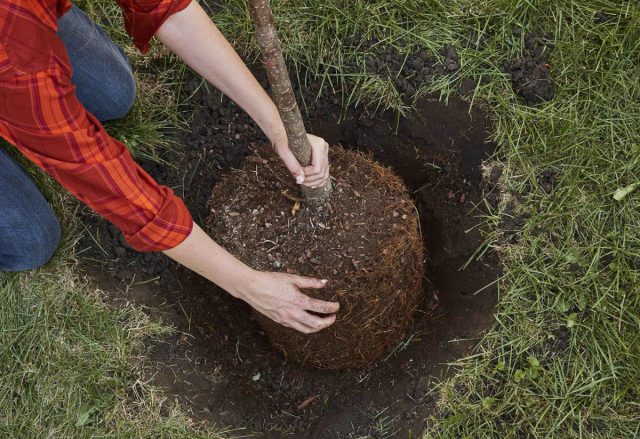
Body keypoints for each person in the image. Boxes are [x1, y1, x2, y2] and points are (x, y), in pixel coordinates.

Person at [0, 0, 339, 334]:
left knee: (113, 92)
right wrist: (245, 283)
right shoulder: (14, 55)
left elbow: (167, 8)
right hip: (10, 49)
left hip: (26, 27)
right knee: (30, 241)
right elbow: (96, 171)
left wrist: (278, 128)